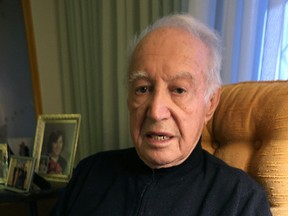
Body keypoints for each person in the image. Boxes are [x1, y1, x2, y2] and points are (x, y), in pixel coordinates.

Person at [52, 14, 271, 215]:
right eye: (143, 88)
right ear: (129, 99)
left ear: (210, 103)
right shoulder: (89, 173)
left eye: (179, 90)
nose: (156, 113)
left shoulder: (241, 201)